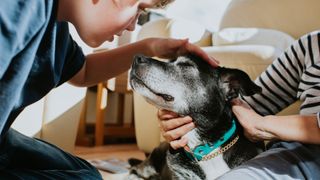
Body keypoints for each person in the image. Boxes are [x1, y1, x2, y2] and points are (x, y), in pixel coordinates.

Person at [0, 0, 219, 179]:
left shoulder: (56, 30)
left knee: (86, 173)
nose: (133, 26)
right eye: (139, 9)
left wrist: (150, 47)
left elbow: (83, 71)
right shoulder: (18, 9)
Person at [158, 30, 320, 179]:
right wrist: (183, 117)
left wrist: (262, 125)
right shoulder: (311, 45)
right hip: (299, 157)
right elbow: (249, 106)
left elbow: (255, 123)